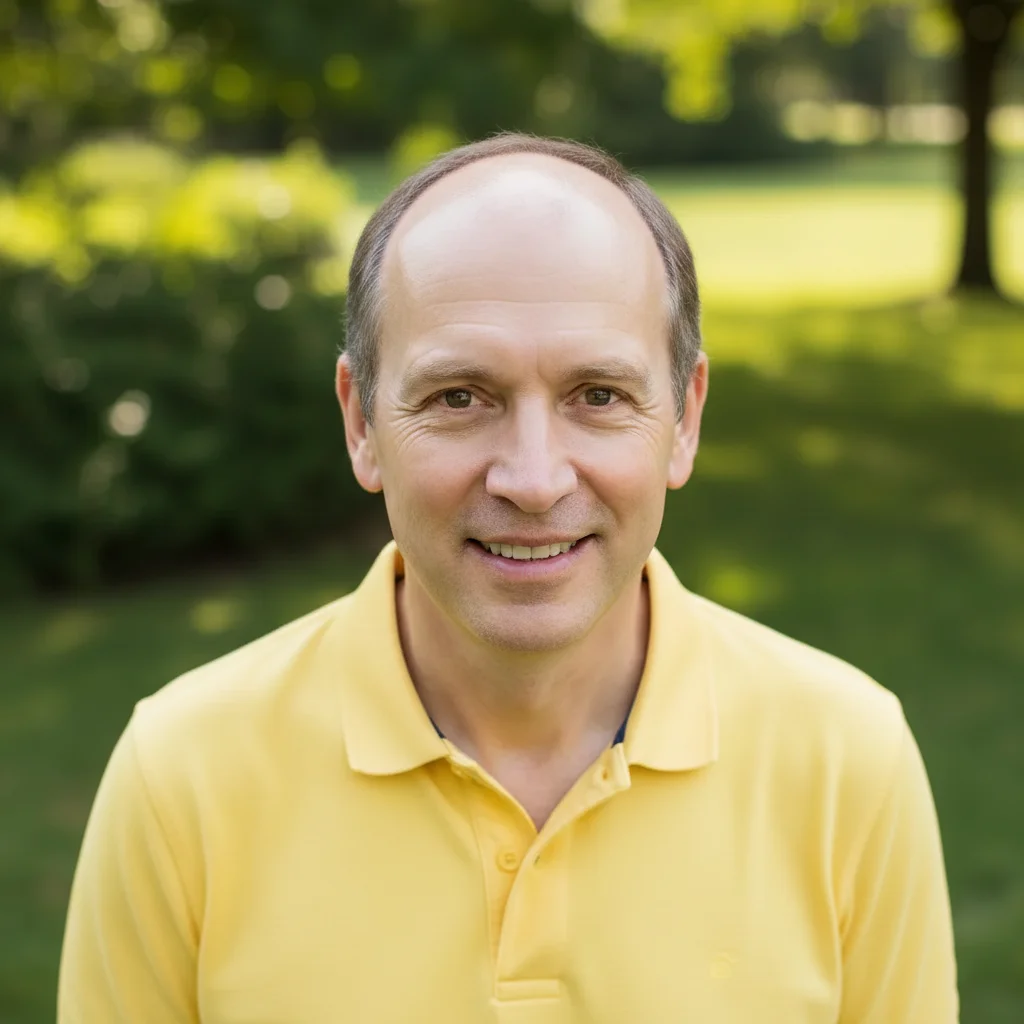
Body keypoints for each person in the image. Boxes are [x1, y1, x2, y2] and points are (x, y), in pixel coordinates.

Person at [58, 133, 959, 1023]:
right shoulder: (182, 774)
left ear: (683, 419)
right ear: (361, 422)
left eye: (598, 396)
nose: (533, 480)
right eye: (460, 398)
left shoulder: (848, 760)